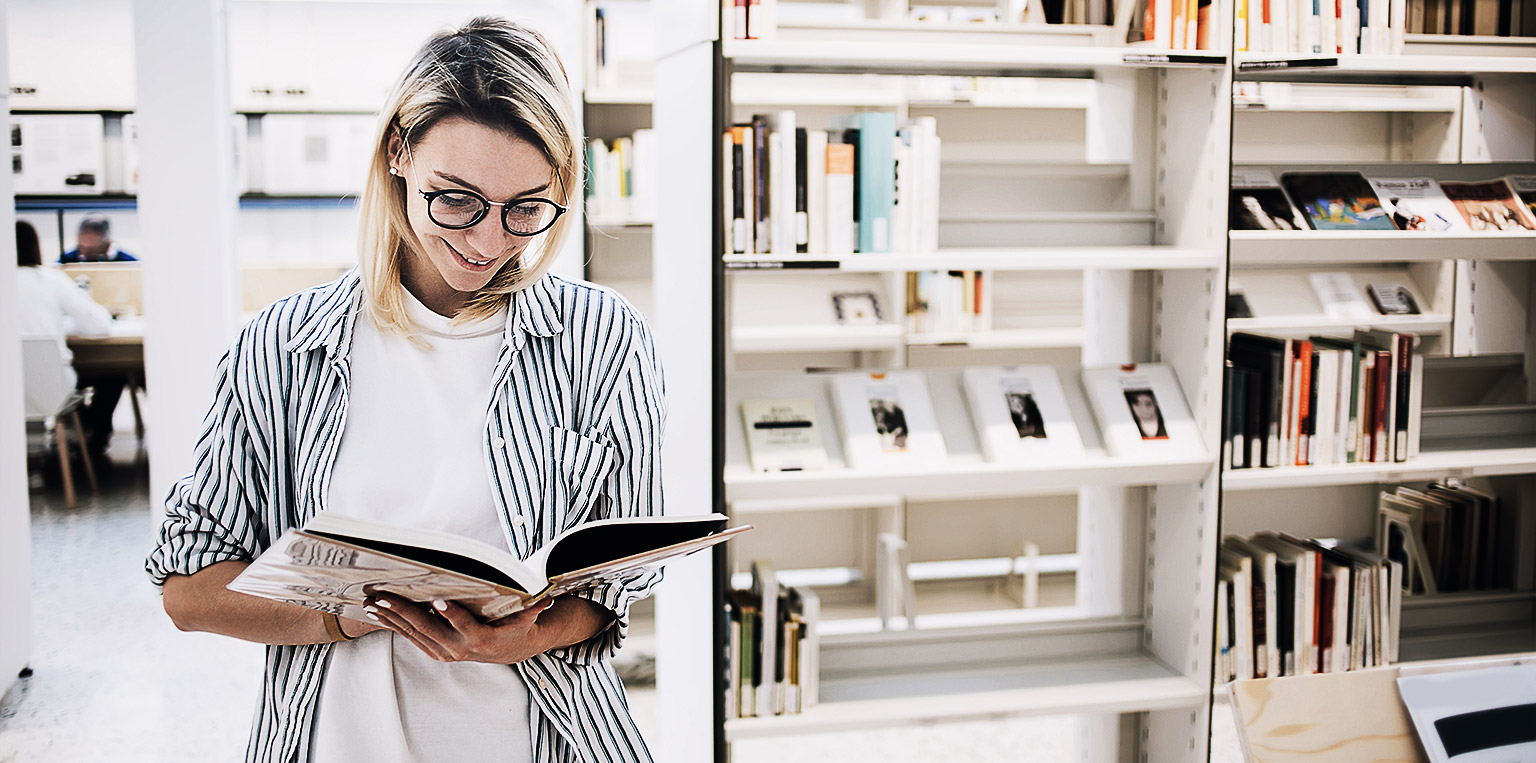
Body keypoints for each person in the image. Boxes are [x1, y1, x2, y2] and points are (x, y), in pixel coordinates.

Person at [145, 18, 664, 762]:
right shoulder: (284, 344)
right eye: (455, 200)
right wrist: (351, 615)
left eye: (526, 208)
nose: (487, 242)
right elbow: (188, 589)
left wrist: (532, 633)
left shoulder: (604, 340)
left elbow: (613, 588)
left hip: (547, 740)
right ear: (398, 153)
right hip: (339, 739)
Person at [16, 219, 114, 402]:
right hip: (52, 388)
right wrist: (64, 325)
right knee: (112, 373)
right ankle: (91, 428)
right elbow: (99, 326)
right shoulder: (51, 280)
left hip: (7, 392)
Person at [59, 214, 137, 263]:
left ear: (107, 244)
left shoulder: (128, 263)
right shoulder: (66, 260)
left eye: (92, 249)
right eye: (82, 247)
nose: (85, 253)